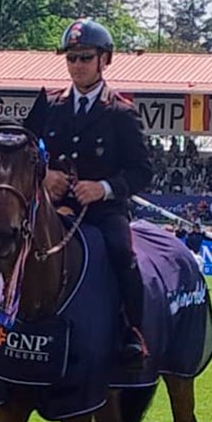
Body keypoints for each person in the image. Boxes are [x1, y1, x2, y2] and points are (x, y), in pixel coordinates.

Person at [41, 18, 152, 364]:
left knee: (122, 254)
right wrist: (44, 175)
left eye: (85, 58)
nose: (77, 66)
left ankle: (132, 331)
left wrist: (103, 188)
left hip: (103, 211)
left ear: (104, 60)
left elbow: (142, 172)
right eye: (71, 58)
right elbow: (30, 154)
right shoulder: (50, 106)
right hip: (54, 206)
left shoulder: (120, 112)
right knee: (8, 243)